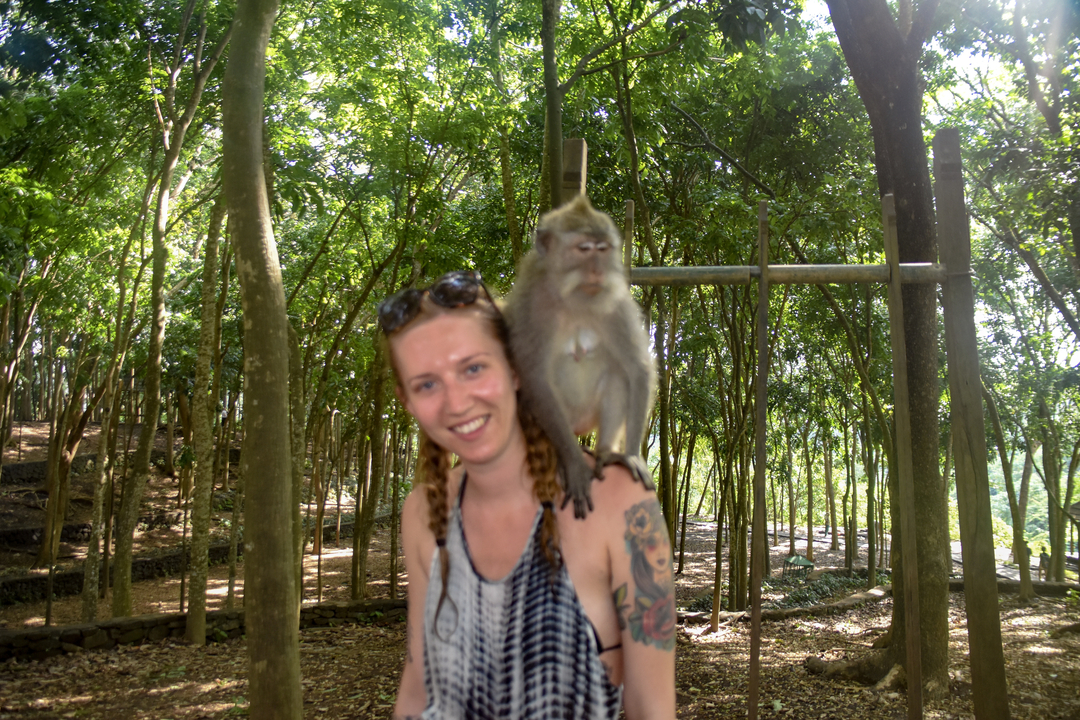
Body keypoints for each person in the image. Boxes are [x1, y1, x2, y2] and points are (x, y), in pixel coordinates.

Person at [380, 270, 675, 720]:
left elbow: (652, 709)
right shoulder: (423, 511)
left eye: (473, 368)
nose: (456, 403)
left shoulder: (618, 500)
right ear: (407, 400)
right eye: (427, 384)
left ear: (517, 367)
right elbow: (418, 688)